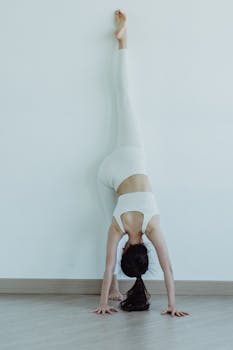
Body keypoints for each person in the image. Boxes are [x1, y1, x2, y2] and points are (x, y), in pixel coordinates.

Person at [92, 9, 189, 317]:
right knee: (102, 214)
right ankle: (117, 290)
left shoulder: (153, 224)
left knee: (124, 96)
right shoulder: (117, 227)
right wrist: (102, 302)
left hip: (131, 157)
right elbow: (108, 267)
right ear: (126, 250)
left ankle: (123, 42)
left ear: (143, 249)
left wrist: (173, 303)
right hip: (107, 173)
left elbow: (169, 267)